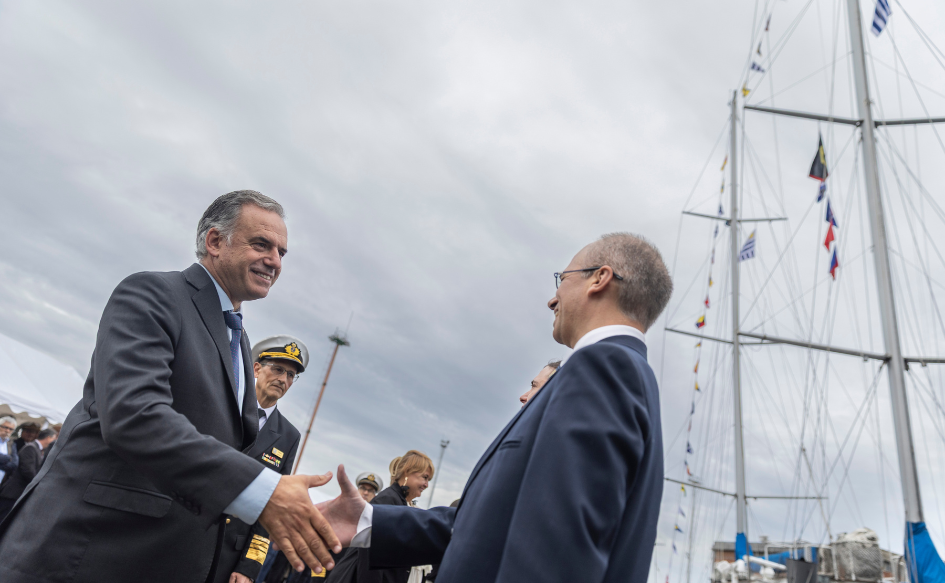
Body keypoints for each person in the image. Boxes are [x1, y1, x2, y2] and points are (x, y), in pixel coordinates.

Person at [0, 190, 342, 583]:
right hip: (89, 556)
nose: (275, 261)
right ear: (215, 242)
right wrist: (263, 491)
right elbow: (134, 414)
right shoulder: (153, 294)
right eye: (261, 244)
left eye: (282, 252)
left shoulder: (238, 340)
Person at [318, 232, 673, 583]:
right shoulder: (623, 372)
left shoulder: (604, 365)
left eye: (561, 280)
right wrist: (366, 520)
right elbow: (480, 525)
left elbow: (554, 547)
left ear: (600, 278)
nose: (553, 299)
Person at [219, 335, 307, 583]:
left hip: (231, 554)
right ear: (256, 368)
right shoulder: (223, 403)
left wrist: (249, 568)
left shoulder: (289, 435)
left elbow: (271, 505)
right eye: (278, 369)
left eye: (291, 375)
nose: (283, 379)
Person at [324, 451, 434, 583]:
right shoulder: (388, 500)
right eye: (425, 477)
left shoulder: (398, 502)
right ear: (408, 472)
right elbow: (370, 558)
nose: (426, 484)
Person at [0, 428, 57, 520]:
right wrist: (38, 484)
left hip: (17, 493)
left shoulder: (37, 449)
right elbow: (27, 471)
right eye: (53, 438)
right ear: (48, 438)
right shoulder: (31, 448)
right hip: (12, 492)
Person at [0, 417, 19, 483]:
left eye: (11, 429)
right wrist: (8, 458)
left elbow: (14, 464)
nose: (7, 431)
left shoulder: (11, 443)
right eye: (5, 427)